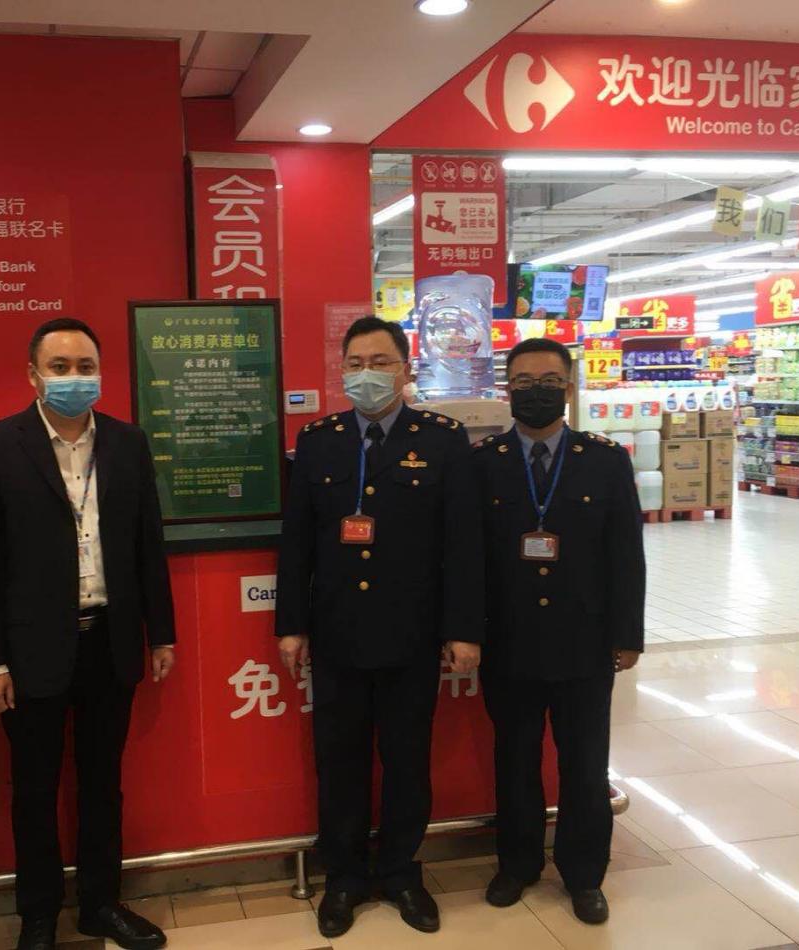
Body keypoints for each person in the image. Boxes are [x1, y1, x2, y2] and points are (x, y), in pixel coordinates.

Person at [0, 318, 175, 950]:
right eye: (60, 367)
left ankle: (100, 904)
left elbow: (147, 544)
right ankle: (38, 917)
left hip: (110, 638)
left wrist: (160, 633)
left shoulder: (128, 443)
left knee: (103, 783)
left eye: (85, 366)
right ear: (33, 375)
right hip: (30, 650)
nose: (74, 378)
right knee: (34, 789)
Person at [275, 316, 484, 938]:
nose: (366, 374)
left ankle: (400, 872)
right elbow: (297, 543)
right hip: (337, 632)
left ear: (405, 369)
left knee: (407, 760)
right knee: (338, 762)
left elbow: (463, 544)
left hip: (412, 634)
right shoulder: (319, 440)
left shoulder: (442, 440)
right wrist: (291, 625)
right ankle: (343, 877)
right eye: (356, 363)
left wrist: (463, 629)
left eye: (380, 362)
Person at [472, 337, 646, 925]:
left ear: (569, 388)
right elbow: (469, 558)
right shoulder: (485, 461)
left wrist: (628, 635)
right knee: (515, 760)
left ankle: (584, 873)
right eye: (523, 382)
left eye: (548, 381)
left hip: (585, 642)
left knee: (585, 764)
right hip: (509, 640)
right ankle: (517, 865)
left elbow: (626, 554)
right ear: (507, 389)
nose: (536, 391)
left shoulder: (605, 459)